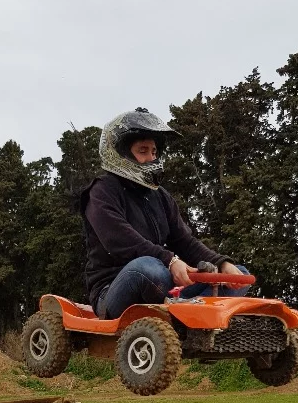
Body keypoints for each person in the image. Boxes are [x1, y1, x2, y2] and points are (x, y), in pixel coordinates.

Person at [79, 108, 248, 318]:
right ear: (120, 153)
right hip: (114, 289)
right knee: (149, 269)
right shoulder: (102, 191)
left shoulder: (160, 196)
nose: (152, 158)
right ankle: (185, 309)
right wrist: (170, 260)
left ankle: (188, 311)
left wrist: (221, 263)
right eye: (143, 151)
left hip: (163, 285)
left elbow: (184, 241)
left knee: (239, 275)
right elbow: (120, 240)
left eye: (154, 152)